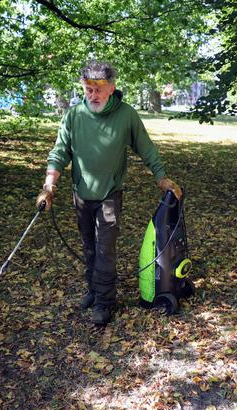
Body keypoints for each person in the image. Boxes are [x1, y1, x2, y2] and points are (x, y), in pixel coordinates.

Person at [36, 61, 182, 326]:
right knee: (89, 247)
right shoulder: (74, 115)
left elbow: (146, 148)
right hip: (81, 193)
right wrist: (49, 186)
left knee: (105, 249)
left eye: (98, 90)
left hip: (110, 194)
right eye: (88, 89)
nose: (92, 95)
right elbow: (59, 152)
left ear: (111, 89)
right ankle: (93, 290)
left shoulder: (126, 115)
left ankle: (105, 302)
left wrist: (162, 177)